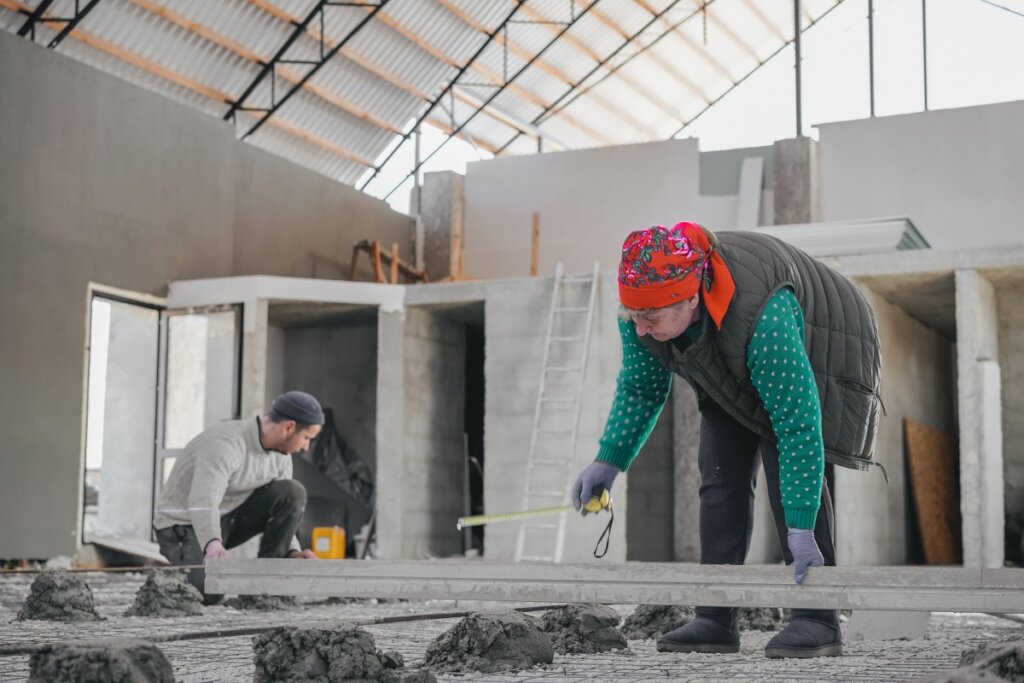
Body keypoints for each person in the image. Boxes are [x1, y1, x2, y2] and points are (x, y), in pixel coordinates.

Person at [572, 222, 883, 658]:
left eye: (651, 318)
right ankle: (714, 618)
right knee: (718, 478)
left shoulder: (765, 317)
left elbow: (798, 428)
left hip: (826, 339)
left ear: (691, 298)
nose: (640, 329)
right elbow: (640, 388)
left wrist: (800, 525)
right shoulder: (642, 311)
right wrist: (609, 461)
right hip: (730, 353)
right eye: (633, 316)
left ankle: (817, 618)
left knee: (785, 474)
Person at [153, 390, 325, 603]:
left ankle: (266, 585)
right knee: (208, 593)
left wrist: (293, 552)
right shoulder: (226, 443)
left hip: (226, 519)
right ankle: (172, 576)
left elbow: (285, 511)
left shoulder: (281, 457)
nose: (305, 446)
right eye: (306, 438)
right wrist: (212, 542)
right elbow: (202, 501)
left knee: (292, 491)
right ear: (288, 427)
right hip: (181, 525)